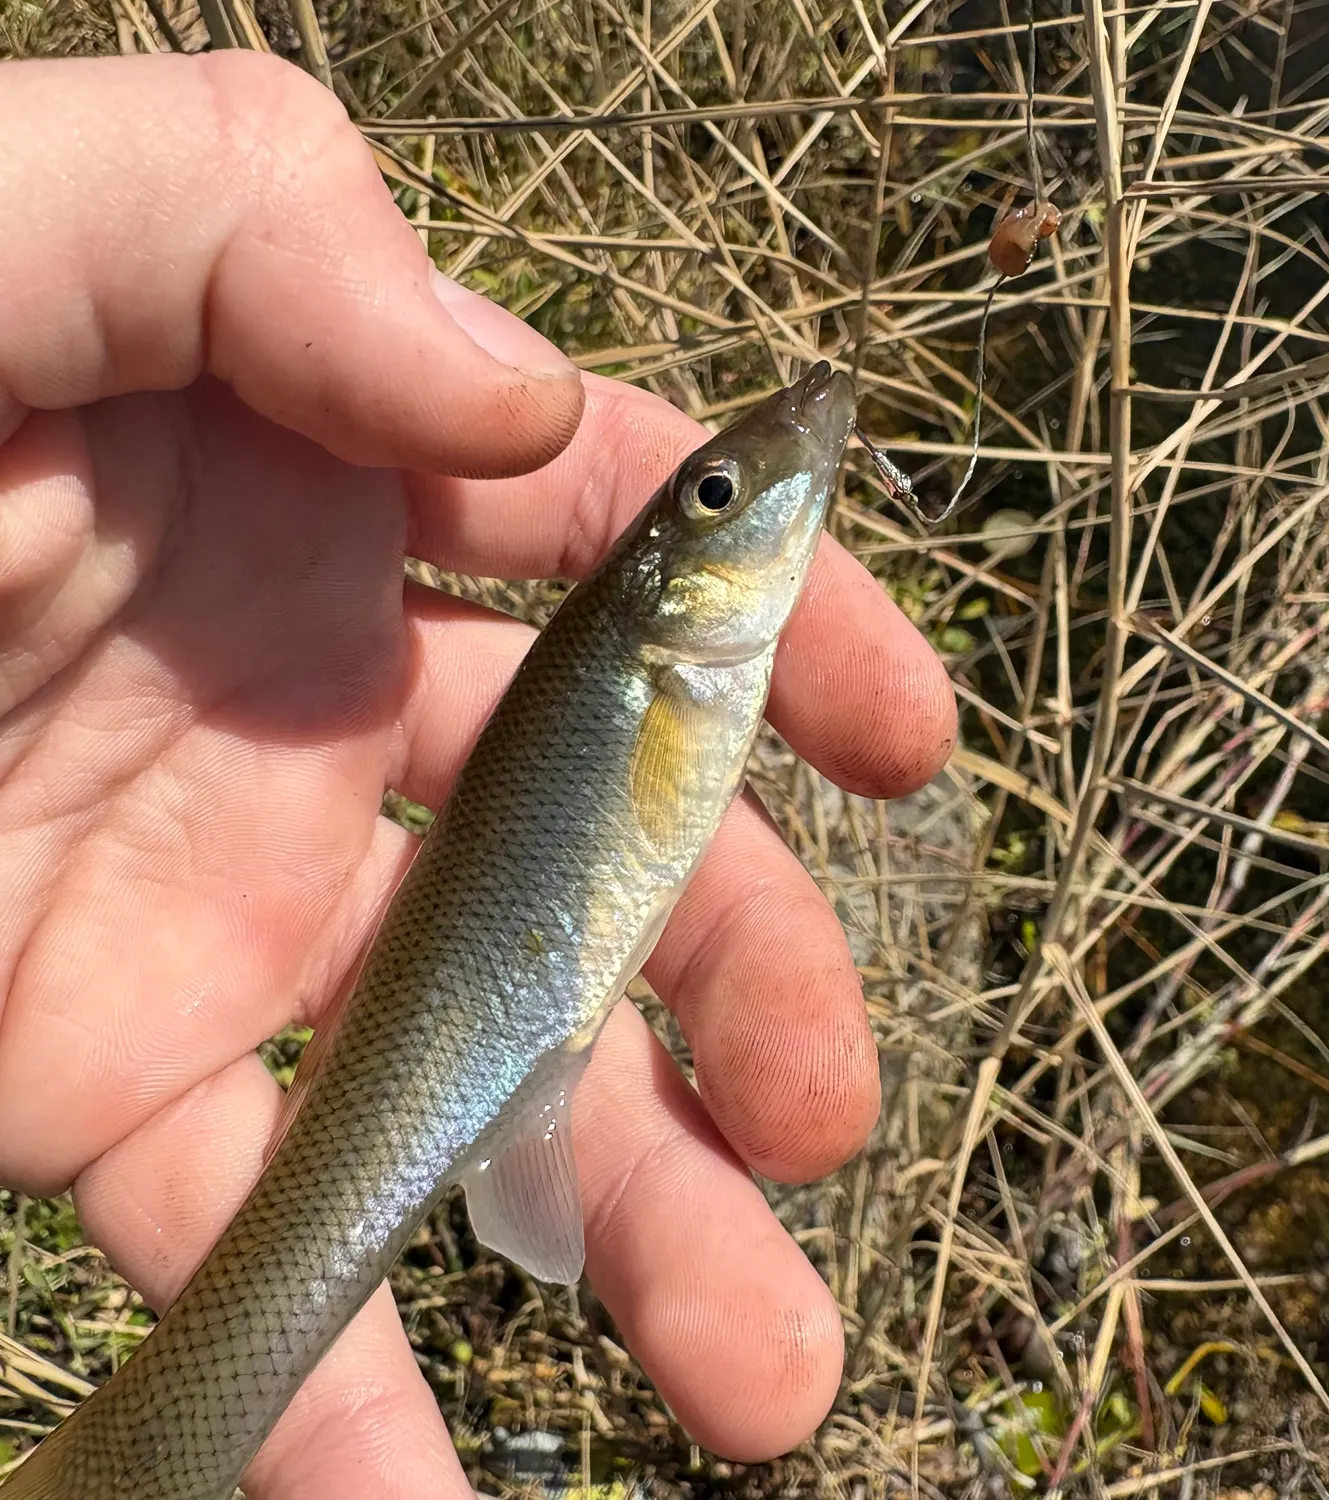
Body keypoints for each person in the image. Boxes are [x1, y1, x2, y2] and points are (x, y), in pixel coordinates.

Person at [0, 49, 955, 1500]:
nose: (757, 481)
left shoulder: (677, 663)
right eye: (716, 497)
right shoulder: (655, 664)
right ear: (672, 577)